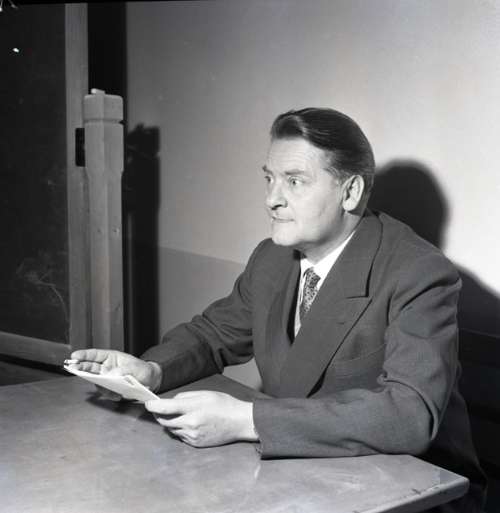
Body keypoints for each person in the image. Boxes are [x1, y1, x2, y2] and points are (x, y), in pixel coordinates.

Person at [71, 108, 485, 512]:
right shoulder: (272, 257)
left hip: (422, 488)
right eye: (269, 178)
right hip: (311, 472)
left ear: (350, 192)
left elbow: (410, 414)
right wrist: (151, 371)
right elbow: (213, 335)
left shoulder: (418, 271)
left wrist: (246, 420)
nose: (272, 199)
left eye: (294, 181)